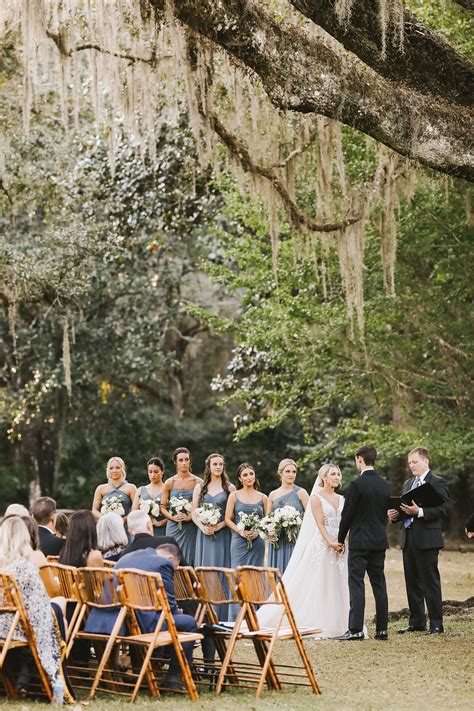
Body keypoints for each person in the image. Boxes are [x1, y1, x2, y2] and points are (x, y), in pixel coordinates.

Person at [85, 542, 198, 692]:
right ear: (171, 558)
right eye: (175, 567)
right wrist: (178, 612)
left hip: (112, 618)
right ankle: (173, 678)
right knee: (189, 623)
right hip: (138, 620)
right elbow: (169, 606)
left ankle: (141, 669)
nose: (174, 570)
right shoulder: (163, 563)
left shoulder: (126, 557)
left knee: (154, 618)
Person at [257, 464, 349, 638]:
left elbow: (345, 522)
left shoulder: (343, 498)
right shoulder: (316, 498)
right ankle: (320, 620)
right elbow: (319, 522)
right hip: (323, 544)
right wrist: (329, 542)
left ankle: (341, 622)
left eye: (338, 473)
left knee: (339, 581)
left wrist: (341, 541)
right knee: (322, 581)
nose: (337, 477)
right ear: (324, 477)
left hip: (340, 544)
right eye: (333, 474)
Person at [388, 447, 449, 635]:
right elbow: (405, 508)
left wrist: (420, 512)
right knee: (412, 581)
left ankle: (437, 624)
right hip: (408, 538)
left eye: (415, 462)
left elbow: (445, 509)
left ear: (426, 461)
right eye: (410, 462)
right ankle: (417, 622)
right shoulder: (408, 483)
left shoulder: (437, 482)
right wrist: (394, 515)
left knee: (430, 582)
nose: (411, 465)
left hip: (428, 539)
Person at [0, 517, 63, 694]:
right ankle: (56, 676)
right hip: (15, 627)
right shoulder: (25, 569)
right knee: (54, 613)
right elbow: (39, 608)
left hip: (3, 624)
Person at [337, 445, 390, 641]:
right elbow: (383, 514)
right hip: (378, 540)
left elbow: (347, 516)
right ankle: (382, 630)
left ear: (360, 459)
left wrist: (340, 539)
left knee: (356, 583)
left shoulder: (356, 485)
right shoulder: (385, 485)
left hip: (359, 541)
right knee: (379, 584)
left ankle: (355, 629)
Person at [265, 458, 309, 574]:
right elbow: (267, 520)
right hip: (277, 541)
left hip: (295, 540)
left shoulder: (301, 493)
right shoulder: (273, 494)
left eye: (294, 472)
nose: (291, 475)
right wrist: (269, 534)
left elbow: (311, 518)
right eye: (288, 471)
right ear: (280, 473)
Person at [160, 447, 203, 566]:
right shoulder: (169, 482)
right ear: (175, 462)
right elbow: (162, 507)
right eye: (181, 460)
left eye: (186, 459)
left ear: (190, 461)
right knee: (171, 555)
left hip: (191, 527)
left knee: (190, 557)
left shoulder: (198, 482)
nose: (184, 463)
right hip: (174, 526)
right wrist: (172, 517)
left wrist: (190, 517)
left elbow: (202, 507)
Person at [225, 463, 267, 570]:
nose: (249, 477)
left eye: (251, 474)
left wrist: (257, 531)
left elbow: (267, 520)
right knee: (238, 573)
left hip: (257, 542)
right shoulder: (234, 496)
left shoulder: (263, 497)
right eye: (245, 475)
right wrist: (240, 532)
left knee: (256, 574)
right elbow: (227, 519)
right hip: (239, 541)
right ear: (240, 478)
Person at [116, 510, 185, 563]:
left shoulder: (124, 555)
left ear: (130, 532)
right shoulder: (168, 543)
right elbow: (185, 570)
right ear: (149, 525)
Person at [91, 457, 137, 532]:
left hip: (124, 527)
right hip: (107, 526)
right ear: (108, 470)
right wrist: (105, 519)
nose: (114, 470)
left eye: (117, 467)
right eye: (111, 468)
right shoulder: (100, 488)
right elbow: (94, 510)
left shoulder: (131, 488)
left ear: (123, 469)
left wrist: (123, 520)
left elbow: (135, 509)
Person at [132, 457, 167, 537]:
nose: (153, 475)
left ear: (162, 472)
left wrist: (160, 523)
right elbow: (134, 513)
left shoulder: (167, 489)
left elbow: (172, 514)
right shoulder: (141, 490)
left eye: (156, 472)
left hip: (163, 531)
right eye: (150, 472)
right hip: (144, 531)